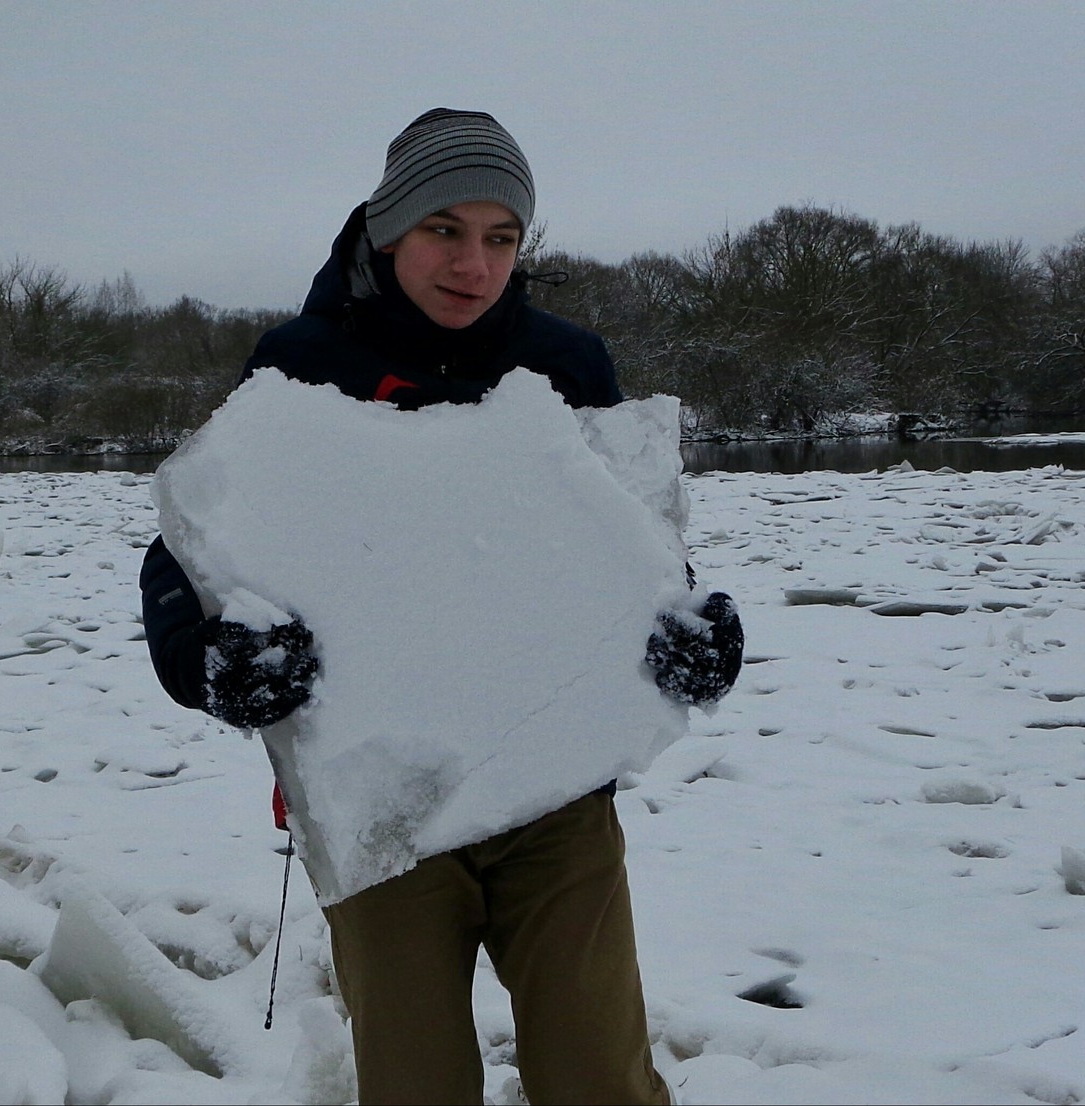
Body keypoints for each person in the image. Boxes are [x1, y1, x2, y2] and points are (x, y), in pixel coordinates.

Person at [141, 108, 743, 1106]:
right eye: (444, 230)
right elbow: (190, 546)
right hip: (381, 797)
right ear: (389, 230)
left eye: (501, 237)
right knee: (415, 1083)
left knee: (597, 1076)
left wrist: (690, 635)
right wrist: (207, 654)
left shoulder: (568, 365)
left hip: (556, 788)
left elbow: (637, 556)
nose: (474, 262)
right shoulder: (302, 361)